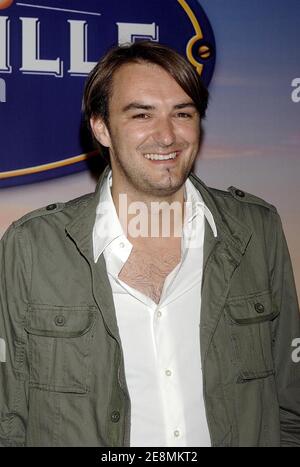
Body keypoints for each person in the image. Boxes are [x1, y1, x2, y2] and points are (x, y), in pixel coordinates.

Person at [0, 41, 300, 448]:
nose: (167, 136)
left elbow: (291, 408)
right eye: (142, 114)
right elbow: (8, 421)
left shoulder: (257, 230)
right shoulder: (32, 247)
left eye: (183, 113)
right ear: (101, 127)